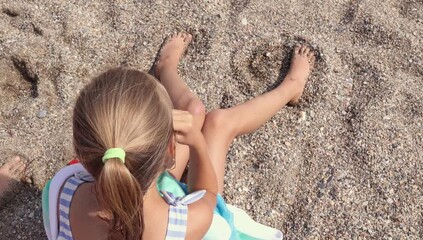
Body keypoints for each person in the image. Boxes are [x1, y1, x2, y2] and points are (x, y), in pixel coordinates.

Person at [45, 32, 315, 239]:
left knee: (194, 111)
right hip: (178, 214)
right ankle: (292, 87)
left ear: (82, 154)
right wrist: (196, 143)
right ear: (170, 153)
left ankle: (166, 68)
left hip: (135, 187)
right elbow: (207, 196)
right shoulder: (184, 225)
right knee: (217, 122)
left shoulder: (60, 192)